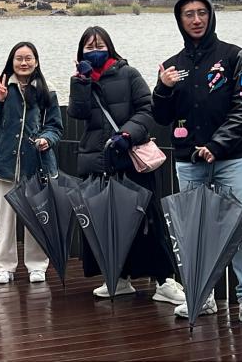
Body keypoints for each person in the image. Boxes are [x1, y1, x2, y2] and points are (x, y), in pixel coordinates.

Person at [152, 0, 242, 329]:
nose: (196, 20)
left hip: (229, 158)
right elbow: (161, 115)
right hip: (189, 162)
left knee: (241, 229)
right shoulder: (173, 65)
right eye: (188, 14)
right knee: (194, 231)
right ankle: (202, 297)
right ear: (180, 20)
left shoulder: (234, 57)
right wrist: (163, 87)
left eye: (202, 12)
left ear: (211, 15)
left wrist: (218, 144)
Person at [68, 26, 184, 304]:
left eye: (99, 46)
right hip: (99, 161)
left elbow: (147, 110)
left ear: (110, 46)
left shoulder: (128, 74)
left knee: (148, 221)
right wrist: (81, 82)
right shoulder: (81, 79)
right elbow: (77, 113)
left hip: (129, 160)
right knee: (107, 222)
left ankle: (165, 281)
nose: (94, 51)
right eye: (89, 47)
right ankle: (119, 278)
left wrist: (127, 134)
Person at [0, 41, 63, 284]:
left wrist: (46, 139)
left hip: (37, 164)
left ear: (36, 61)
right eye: (18, 59)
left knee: (37, 216)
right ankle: (4, 265)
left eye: (28, 58)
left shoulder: (47, 89)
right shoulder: (1, 86)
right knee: (5, 217)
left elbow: (55, 126)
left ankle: (37, 265)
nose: (23, 63)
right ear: (11, 61)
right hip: (4, 164)